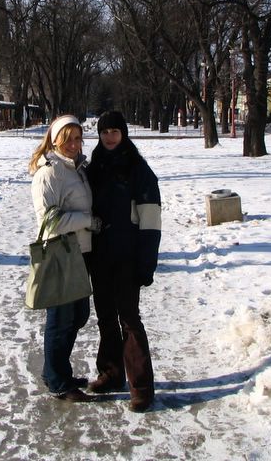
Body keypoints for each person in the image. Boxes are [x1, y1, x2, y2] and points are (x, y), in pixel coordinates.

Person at [86, 111, 161, 413]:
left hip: (128, 256)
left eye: (115, 131)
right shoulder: (94, 167)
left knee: (129, 319)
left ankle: (141, 387)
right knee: (105, 316)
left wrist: (147, 262)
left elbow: (151, 220)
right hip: (100, 255)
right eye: (104, 132)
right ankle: (111, 373)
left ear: (124, 133)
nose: (109, 137)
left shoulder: (138, 169)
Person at [29, 115, 100, 402]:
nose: (73, 144)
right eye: (67, 139)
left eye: (78, 138)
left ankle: (56, 372)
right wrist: (88, 221)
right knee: (61, 320)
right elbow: (50, 220)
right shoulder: (49, 173)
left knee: (78, 316)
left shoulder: (76, 168)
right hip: (61, 252)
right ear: (55, 140)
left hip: (80, 253)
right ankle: (58, 381)